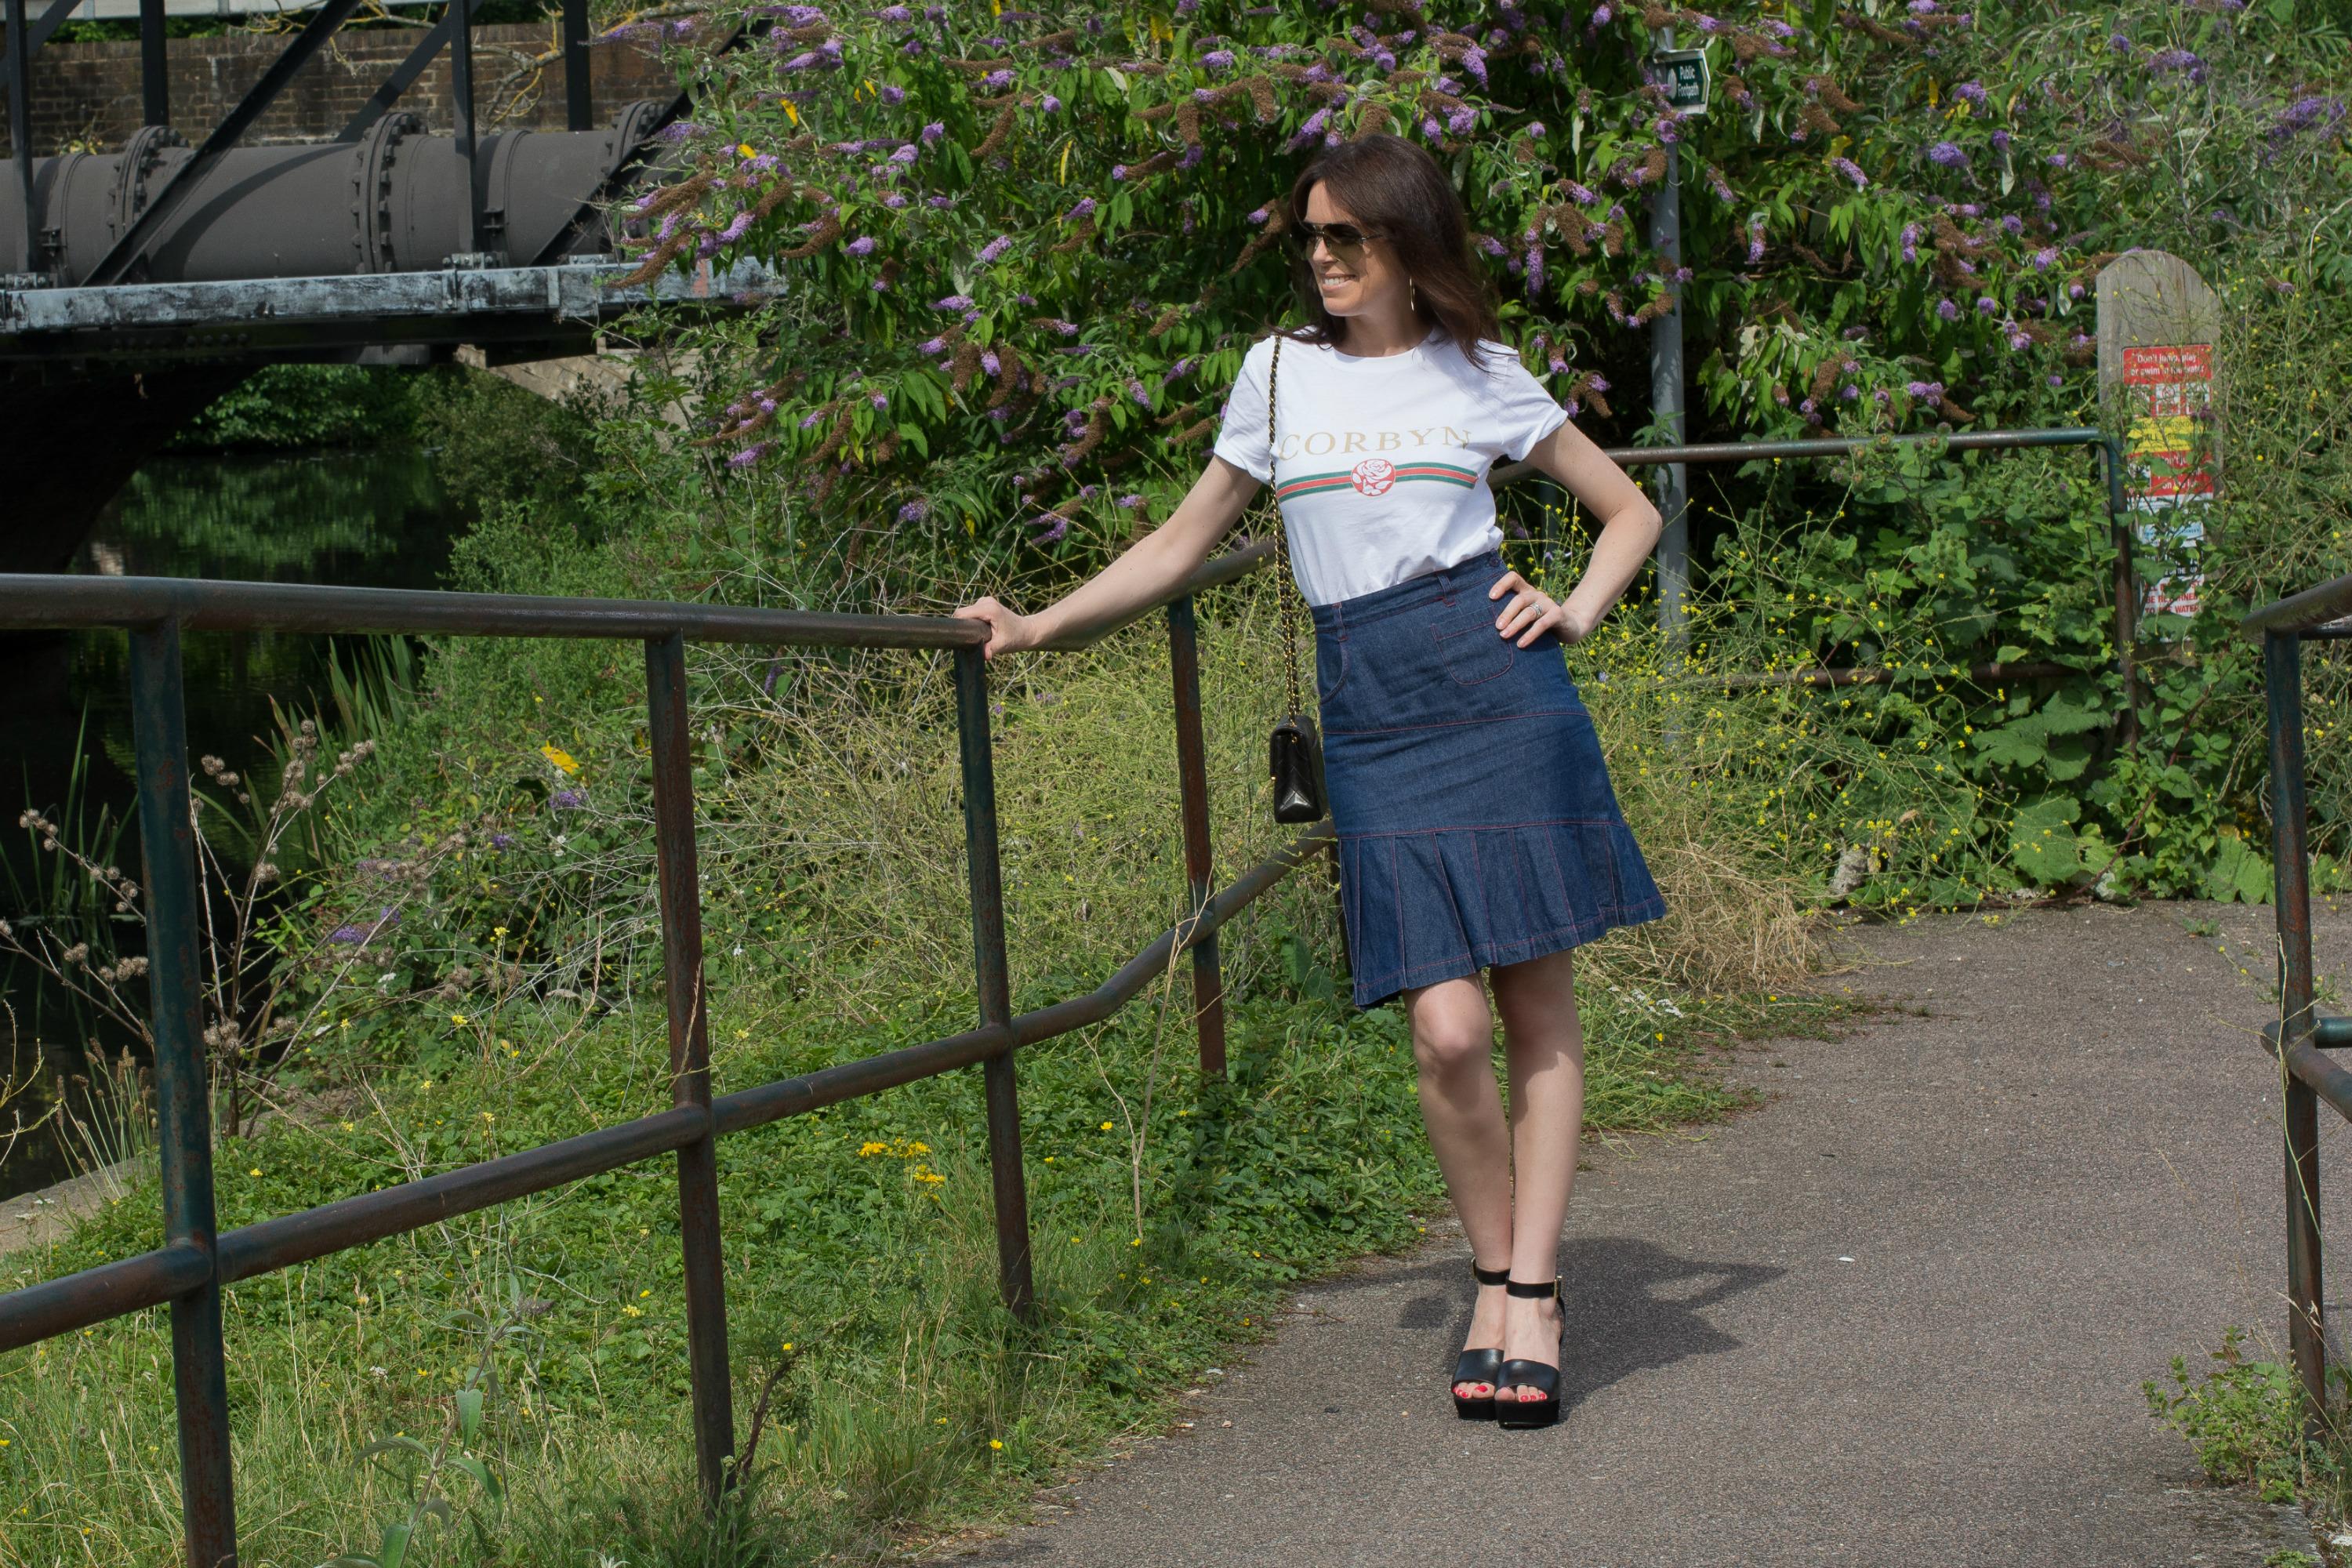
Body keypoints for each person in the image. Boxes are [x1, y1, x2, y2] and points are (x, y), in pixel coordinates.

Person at [951, 132, 1667, 1431]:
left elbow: (1630, 511)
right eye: (1311, 238)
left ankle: (1532, 1294)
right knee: (1447, 1030)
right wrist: (1043, 625)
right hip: (1376, 712)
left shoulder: (1482, 373)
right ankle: (1492, 1269)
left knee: (1536, 1002)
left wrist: (1574, 611)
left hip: (1498, 691)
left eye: (1348, 236)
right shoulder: (1276, 376)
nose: (1324, 259)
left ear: (1410, 243)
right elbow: (1187, 534)